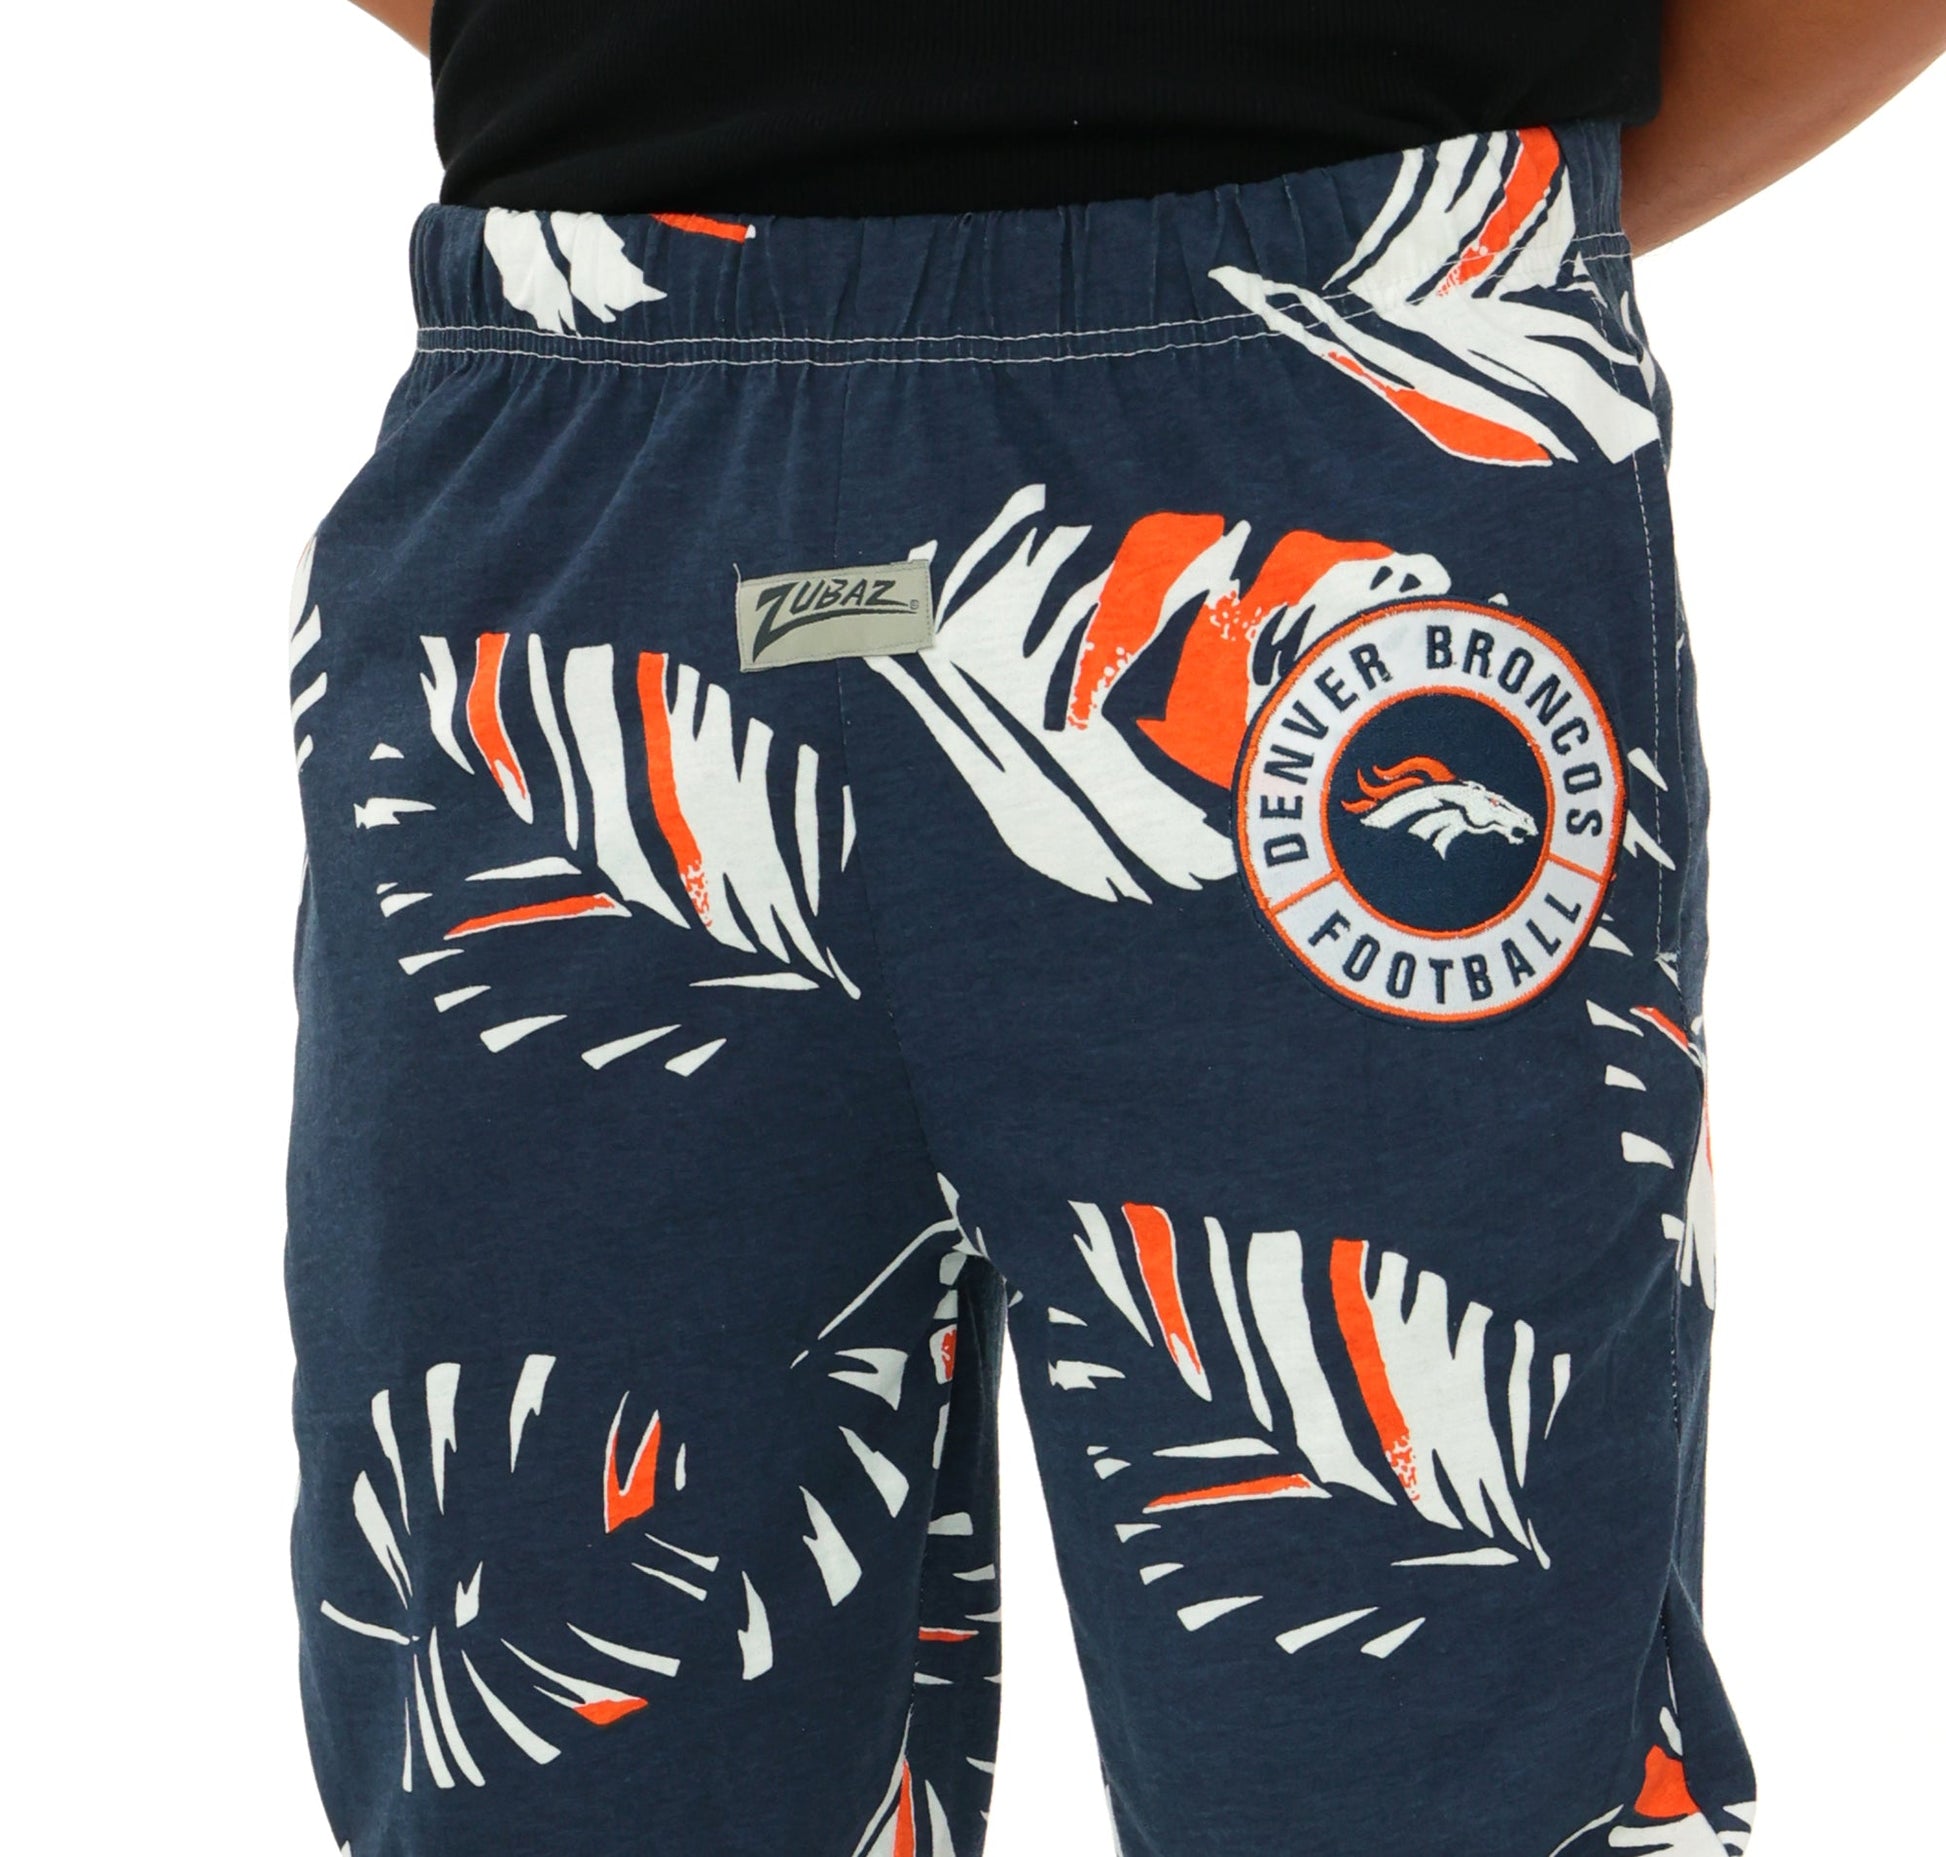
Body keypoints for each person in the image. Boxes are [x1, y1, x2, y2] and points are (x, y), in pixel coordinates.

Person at [285, 4, 1943, 1854]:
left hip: (1321, 485)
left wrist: (1426, 249)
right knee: (564, 1737)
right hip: (585, 460)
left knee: (1429, 1747)